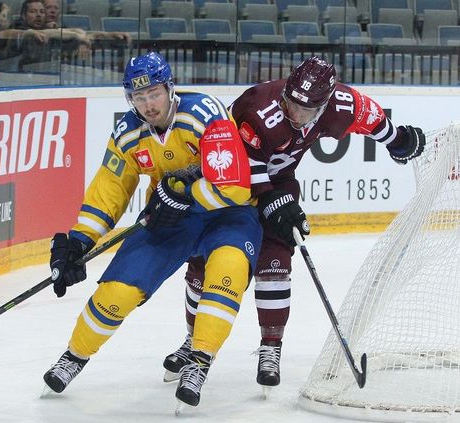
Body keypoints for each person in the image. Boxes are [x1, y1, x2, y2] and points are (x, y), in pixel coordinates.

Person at [162, 56, 426, 388]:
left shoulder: (338, 105)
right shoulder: (257, 108)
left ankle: (271, 349)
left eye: (307, 109)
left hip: (281, 185)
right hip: (231, 188)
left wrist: (397, 139)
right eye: (291, 103)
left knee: (275, 264)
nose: (296, 113)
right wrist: (270, 198)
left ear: (325, 104)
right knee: (205, 267)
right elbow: (242, 161)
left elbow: (368, 114)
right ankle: (192, 340)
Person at [42, 51, 263, 411]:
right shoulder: (127, 132)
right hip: (169, 219)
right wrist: (80, 240)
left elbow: (235, 186)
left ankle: (199, 360)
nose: (148, 104)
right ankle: (74, 356)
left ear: (170, 87)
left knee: (227, 272)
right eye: (138, 97)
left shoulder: (204, 113)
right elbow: (110, 189)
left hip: (229, 214)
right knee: (117, 292)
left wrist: (185, 196)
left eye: (154, 94)